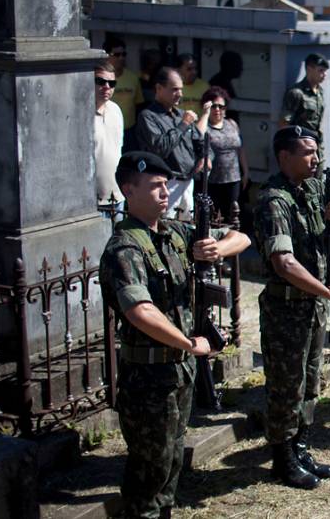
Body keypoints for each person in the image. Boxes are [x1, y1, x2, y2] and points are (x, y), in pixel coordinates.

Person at [99, 152, 249, 518]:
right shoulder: (125, 247)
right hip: (149, 379)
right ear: (127, 190)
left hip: (179, 374)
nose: (164, 192)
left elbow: (240, 237)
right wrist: (188, 343)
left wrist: (216, 248)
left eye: (166, 185)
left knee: (171, 464)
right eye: (154, 186)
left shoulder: (173, 234)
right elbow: (140, 311)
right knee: (150, 471)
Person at [253, 125, 330, 489]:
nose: (316, 159)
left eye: (316, 151)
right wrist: (326, 291)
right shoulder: (274, 200)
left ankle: (300, 446)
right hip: (286, 309)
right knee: (285, 386)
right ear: (284, 157)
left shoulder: (312, 187)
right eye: (307, 152)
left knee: (310, 382)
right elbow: (283, 262)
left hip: (312, 308)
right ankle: (282, 457)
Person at [136, 67, 212, 220]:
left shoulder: (181, 115)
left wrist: (207, 157)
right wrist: (183, 125)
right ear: (159, 88)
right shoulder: (148, 116)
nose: (180, 94)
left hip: (188, 181)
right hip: (166, 183)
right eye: (175, 89)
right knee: (166, 228)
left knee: (187, 228)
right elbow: (161, 148)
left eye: (181, 89)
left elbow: (201, 142)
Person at [202, 86, 249, 222]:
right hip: (213, 181)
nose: (217, 110)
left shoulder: (232, 124)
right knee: (212, 217)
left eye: (221, 106)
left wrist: (245, 171)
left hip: (233, 178)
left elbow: (240, 148)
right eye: (213, 106)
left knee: (234, 216)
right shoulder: (204, 127)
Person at [281, 53, 329, 169]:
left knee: (317, 183)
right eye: (321, 70)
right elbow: (284, 123)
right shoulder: (297, 93)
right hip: (301, 150)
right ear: (309, 69)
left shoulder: (319, 92)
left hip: (317, 147)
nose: (324, 75)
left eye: (325, 71)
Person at [94, 62, 125, 215]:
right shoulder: (79, 113)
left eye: (111, 83)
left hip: (117, 197)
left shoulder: (116, 109)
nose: (107, 87)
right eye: (100, 81)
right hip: (92, 201)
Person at [104, 38, 144, 145]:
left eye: (124, 54)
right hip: (108, 130)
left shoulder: (133, 78)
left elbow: (139, 104)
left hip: (129, 131)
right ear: (107, 55)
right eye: (117, 54)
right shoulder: (101, 79)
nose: (121, 58)